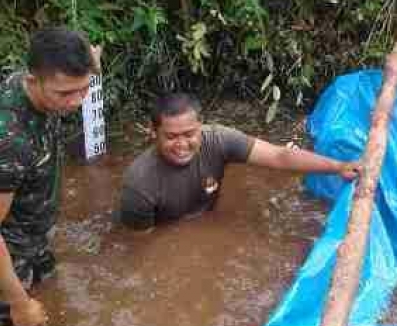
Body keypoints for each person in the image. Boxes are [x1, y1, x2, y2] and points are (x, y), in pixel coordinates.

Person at [118, 92, 362, 230]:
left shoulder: (219, 140)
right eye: (171, 137)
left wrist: (338, 167)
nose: (182, 144)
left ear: (201, 127)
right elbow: (143, 249)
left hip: (208, 220)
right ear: (153, 132)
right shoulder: (139, 185)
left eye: (190, 134)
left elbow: (279, 156)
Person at [0, 27, 98, 326]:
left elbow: (80, 72)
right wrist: (18, 303)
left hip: (34, 230)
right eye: (65, 93)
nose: (77, 102)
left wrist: (90, 63)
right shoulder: (10, 141)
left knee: (51, 287)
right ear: (32, 81)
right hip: (9, 249)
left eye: (83, 89)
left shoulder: (47, 84)